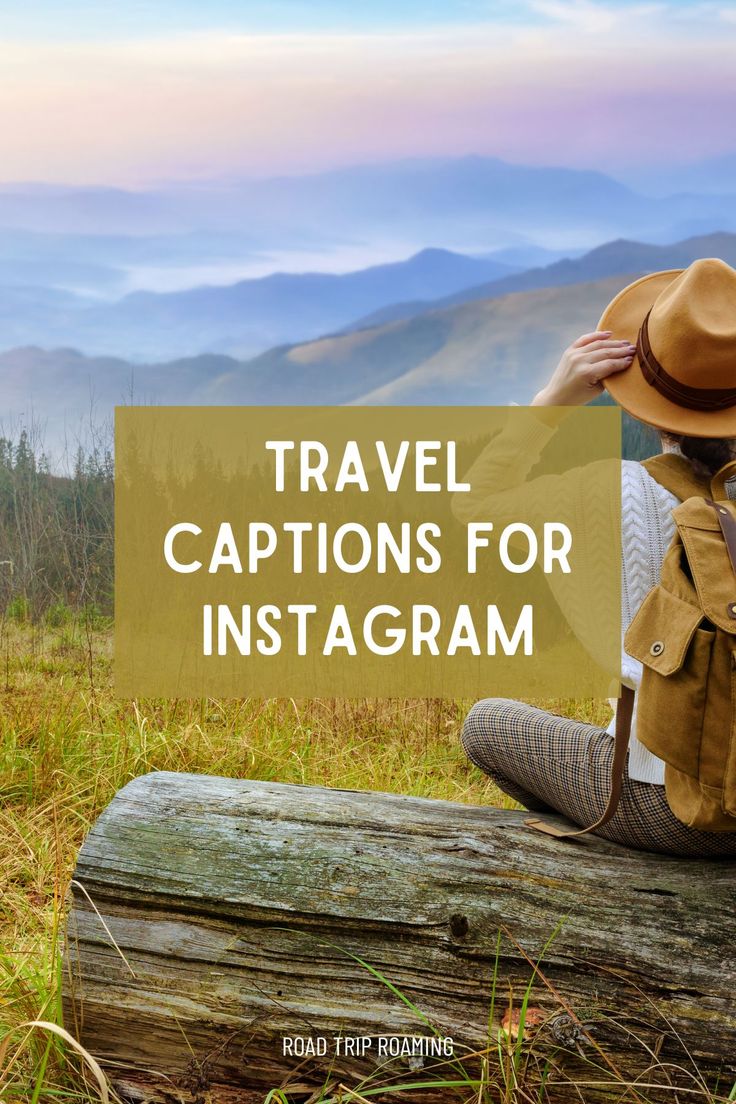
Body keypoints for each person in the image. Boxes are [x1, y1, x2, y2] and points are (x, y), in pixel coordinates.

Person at [459, 257, 736, 857]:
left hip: (678, 814)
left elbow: (475, 507)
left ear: (639, 404)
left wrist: (551, 402)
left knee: (487, 723)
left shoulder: (608, 494)